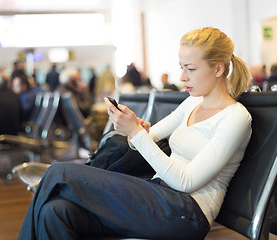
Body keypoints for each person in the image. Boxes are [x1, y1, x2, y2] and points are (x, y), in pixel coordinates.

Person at [18, 27, 252, 239]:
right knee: (55, 212)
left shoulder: (235, 118)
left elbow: (185, 181)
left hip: (187, 213)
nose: (182, 77)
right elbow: (146, 139)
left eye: (190, 69)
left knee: (59, 172)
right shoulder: (192, 104)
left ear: (219, 68)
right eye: (181, 68)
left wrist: (138, 135)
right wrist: (135, 129)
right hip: (158, 195)